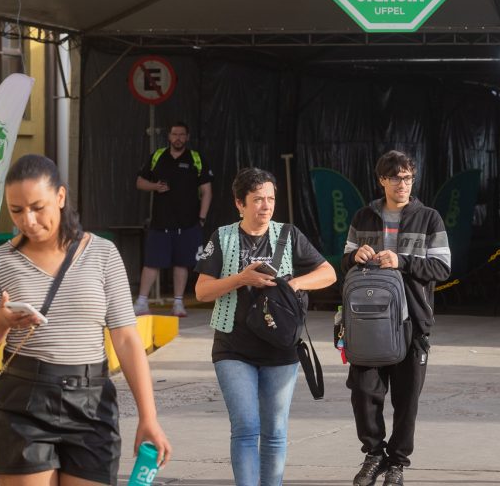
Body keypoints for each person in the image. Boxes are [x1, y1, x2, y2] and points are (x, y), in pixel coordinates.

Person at [0, 154, 171, 485]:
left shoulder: (103, 254)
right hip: (22, 403)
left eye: (37, 207)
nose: (28, 220)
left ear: (60, 197)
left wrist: (149, 417)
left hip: (91, 403)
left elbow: (127, 339)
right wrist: (1, 323)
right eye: (16, 211)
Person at [194, 167, 336, 486]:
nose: (266, 206)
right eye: (257, 199)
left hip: (280, 348)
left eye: (270, 198)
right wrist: (241, 279)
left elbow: (328, 273)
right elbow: (202, 291)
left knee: (275, 432)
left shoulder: (288, 234)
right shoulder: (224, 237)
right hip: (233, 347)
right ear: (239, 204)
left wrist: (292, 285)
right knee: (245, 427)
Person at [343, 150, 451, 486]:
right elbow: (343, 264)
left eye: (407, 177)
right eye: (395, 178)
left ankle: (397, 464)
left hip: (412, 322)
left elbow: (443, 267)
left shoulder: (429, 217)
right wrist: (353, 256)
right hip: (367, 323)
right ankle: (374, 454)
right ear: (382, 181)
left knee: (407, 399)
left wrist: (401, 261)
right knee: (363, 392)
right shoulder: (363, 217)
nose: (402, 184)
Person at [134, 121, 213, 318]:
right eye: (174, 134)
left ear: (187, 137)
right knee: (151, 263)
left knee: (182, 264)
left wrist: (201, 219)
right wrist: (155, 187)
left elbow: (207, 191)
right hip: (160, 222)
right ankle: (142, 302)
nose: (178, 138)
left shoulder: (196, 159)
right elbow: (140, 182)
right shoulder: (158, 156)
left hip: (187, 223)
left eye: (181, 134)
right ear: (168, 137)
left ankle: (178, 304)